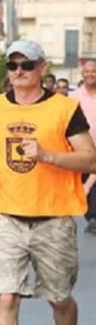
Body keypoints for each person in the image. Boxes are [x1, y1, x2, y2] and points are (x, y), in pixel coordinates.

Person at [0, 40, 96, 325]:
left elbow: (90, 159)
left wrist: (46, 155)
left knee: (59, 299)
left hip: (54, 218)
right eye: (12, 66)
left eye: (26, 65)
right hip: (8, 215)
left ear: (42, 67)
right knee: (6, 294)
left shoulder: (65, 108)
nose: (18, 72)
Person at [71, 60, 96, 234]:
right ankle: (91, 215)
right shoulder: (74, 98)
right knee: (86, 184)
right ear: (82, 74)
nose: (90, 74)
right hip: (81, 148)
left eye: (93, 71)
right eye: (87, 71)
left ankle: (93, 217)